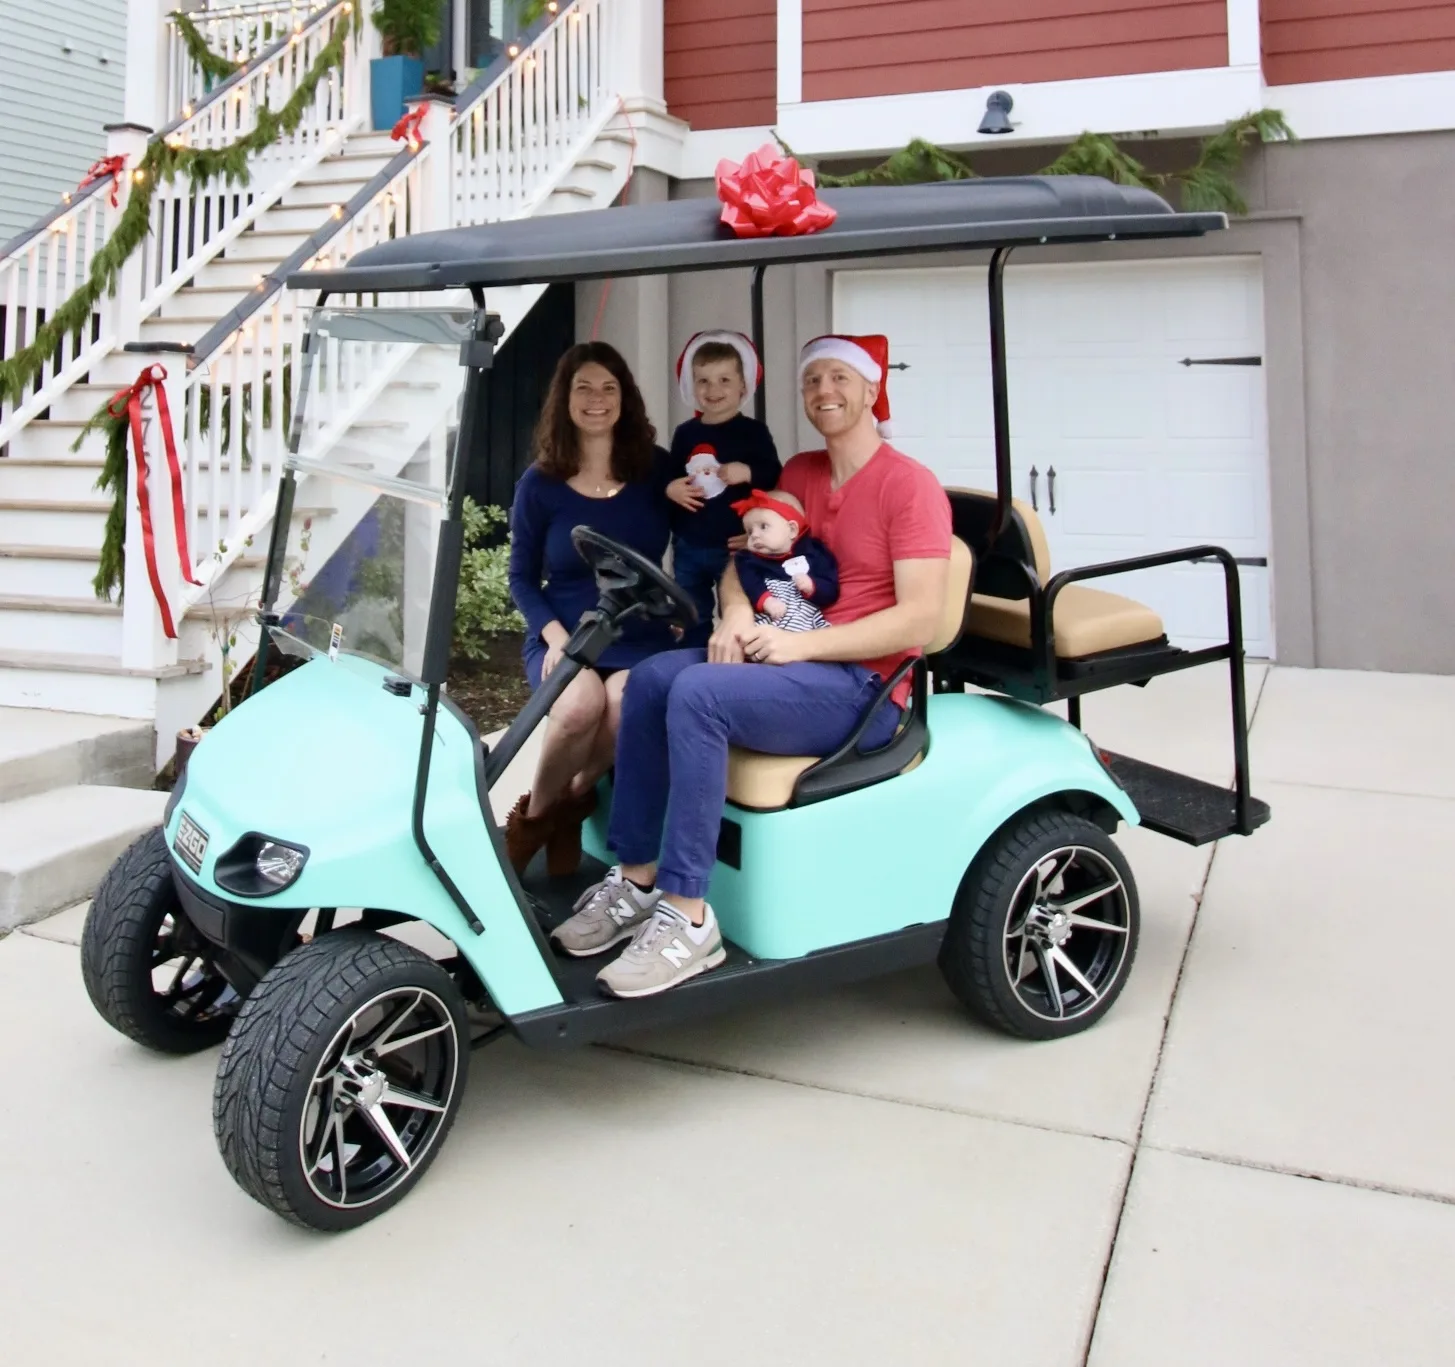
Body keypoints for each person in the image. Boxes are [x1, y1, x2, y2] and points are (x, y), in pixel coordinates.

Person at [550, 333, 952, 998]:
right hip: (788, 660)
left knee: (700, 693)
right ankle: (638, 876)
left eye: (838, 378)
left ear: (871, 389)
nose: (823, 391)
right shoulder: (797, 474)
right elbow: (745, 561)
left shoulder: (909, 487)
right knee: (651, 680)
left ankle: (687, 916)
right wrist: (735, 611)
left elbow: (919, 620)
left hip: (864, 687)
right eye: (811, 380)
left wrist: (798, 645)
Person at [504, 342, 675, 879]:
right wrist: (554, 636)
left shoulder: (656, 470)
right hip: (568, 631)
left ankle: (573, 802)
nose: (597, 400)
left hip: (641, 631)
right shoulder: (540, 484)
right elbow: (521, 578)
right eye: (584, 388)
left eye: (609, 388)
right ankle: (535, 817)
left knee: (627, 705)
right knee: (579, 706)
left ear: (625, 398)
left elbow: (701, 535)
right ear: (565, 399)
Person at [664, 331, 781, 647]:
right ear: (692, 385)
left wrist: (748, 472)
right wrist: (671, 489)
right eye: (703, 381)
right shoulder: (685, 433)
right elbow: (670, 475)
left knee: (739, 606)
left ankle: (739, 661)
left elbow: (773, 475)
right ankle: (693, 657)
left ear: (743, 386)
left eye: (724, 380)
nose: (713, 389)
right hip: (688, 543)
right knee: (691, 611)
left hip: (734, 544)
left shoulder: (752, 432)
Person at [730, 487, 839, 632]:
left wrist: (812, 586)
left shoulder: (815, 553)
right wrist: (765, 600)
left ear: (792, 530)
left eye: (763, 526)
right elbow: (750, 583)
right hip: (768, 623)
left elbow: (831, 588)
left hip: (806, 624)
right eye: (750, 531)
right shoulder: (749, 560)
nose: (754, 535)